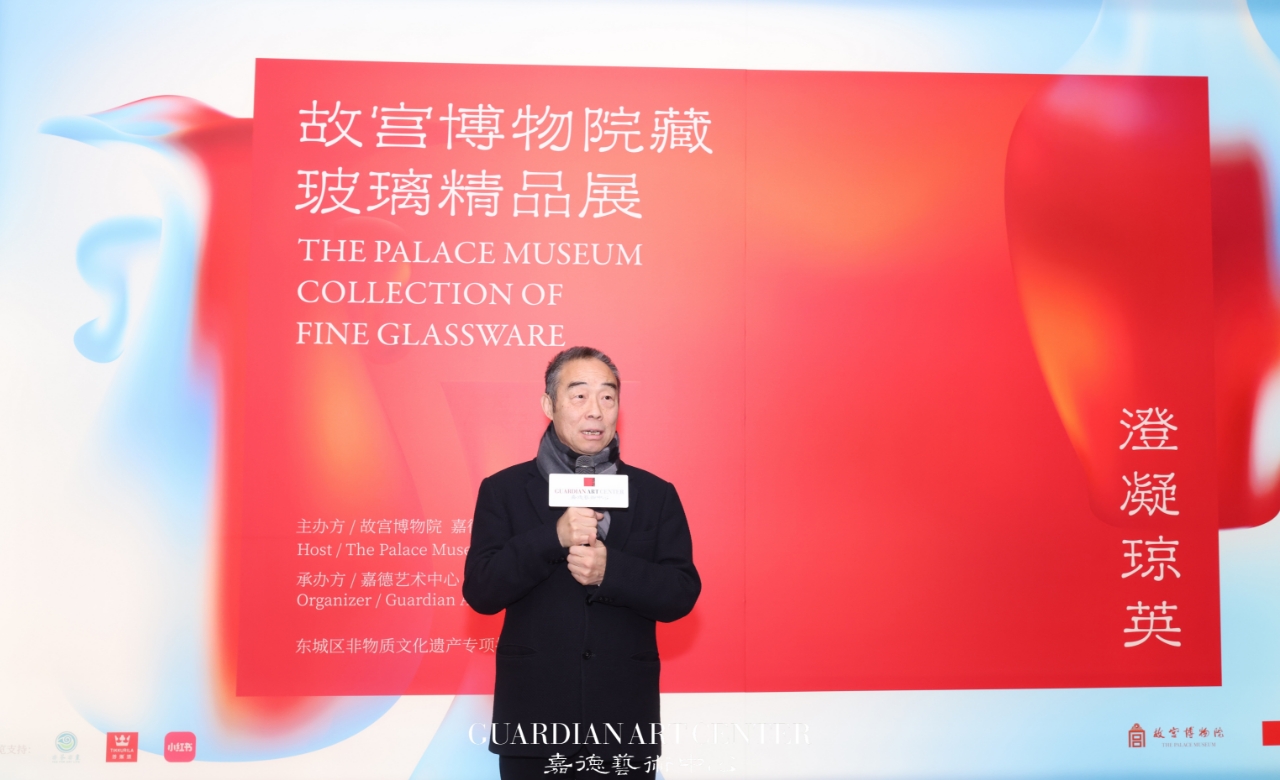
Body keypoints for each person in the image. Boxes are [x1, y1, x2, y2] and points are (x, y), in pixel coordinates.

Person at [463, 346, 701, 780]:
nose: (595, 410)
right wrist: (551, 538)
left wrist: (613, 571)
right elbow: (481, 590)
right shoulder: (504, 490)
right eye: (579, 395)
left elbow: (681, 592)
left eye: (607, 396)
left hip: (622, 722)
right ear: (548, 405)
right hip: (533, 721)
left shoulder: (655, 494)